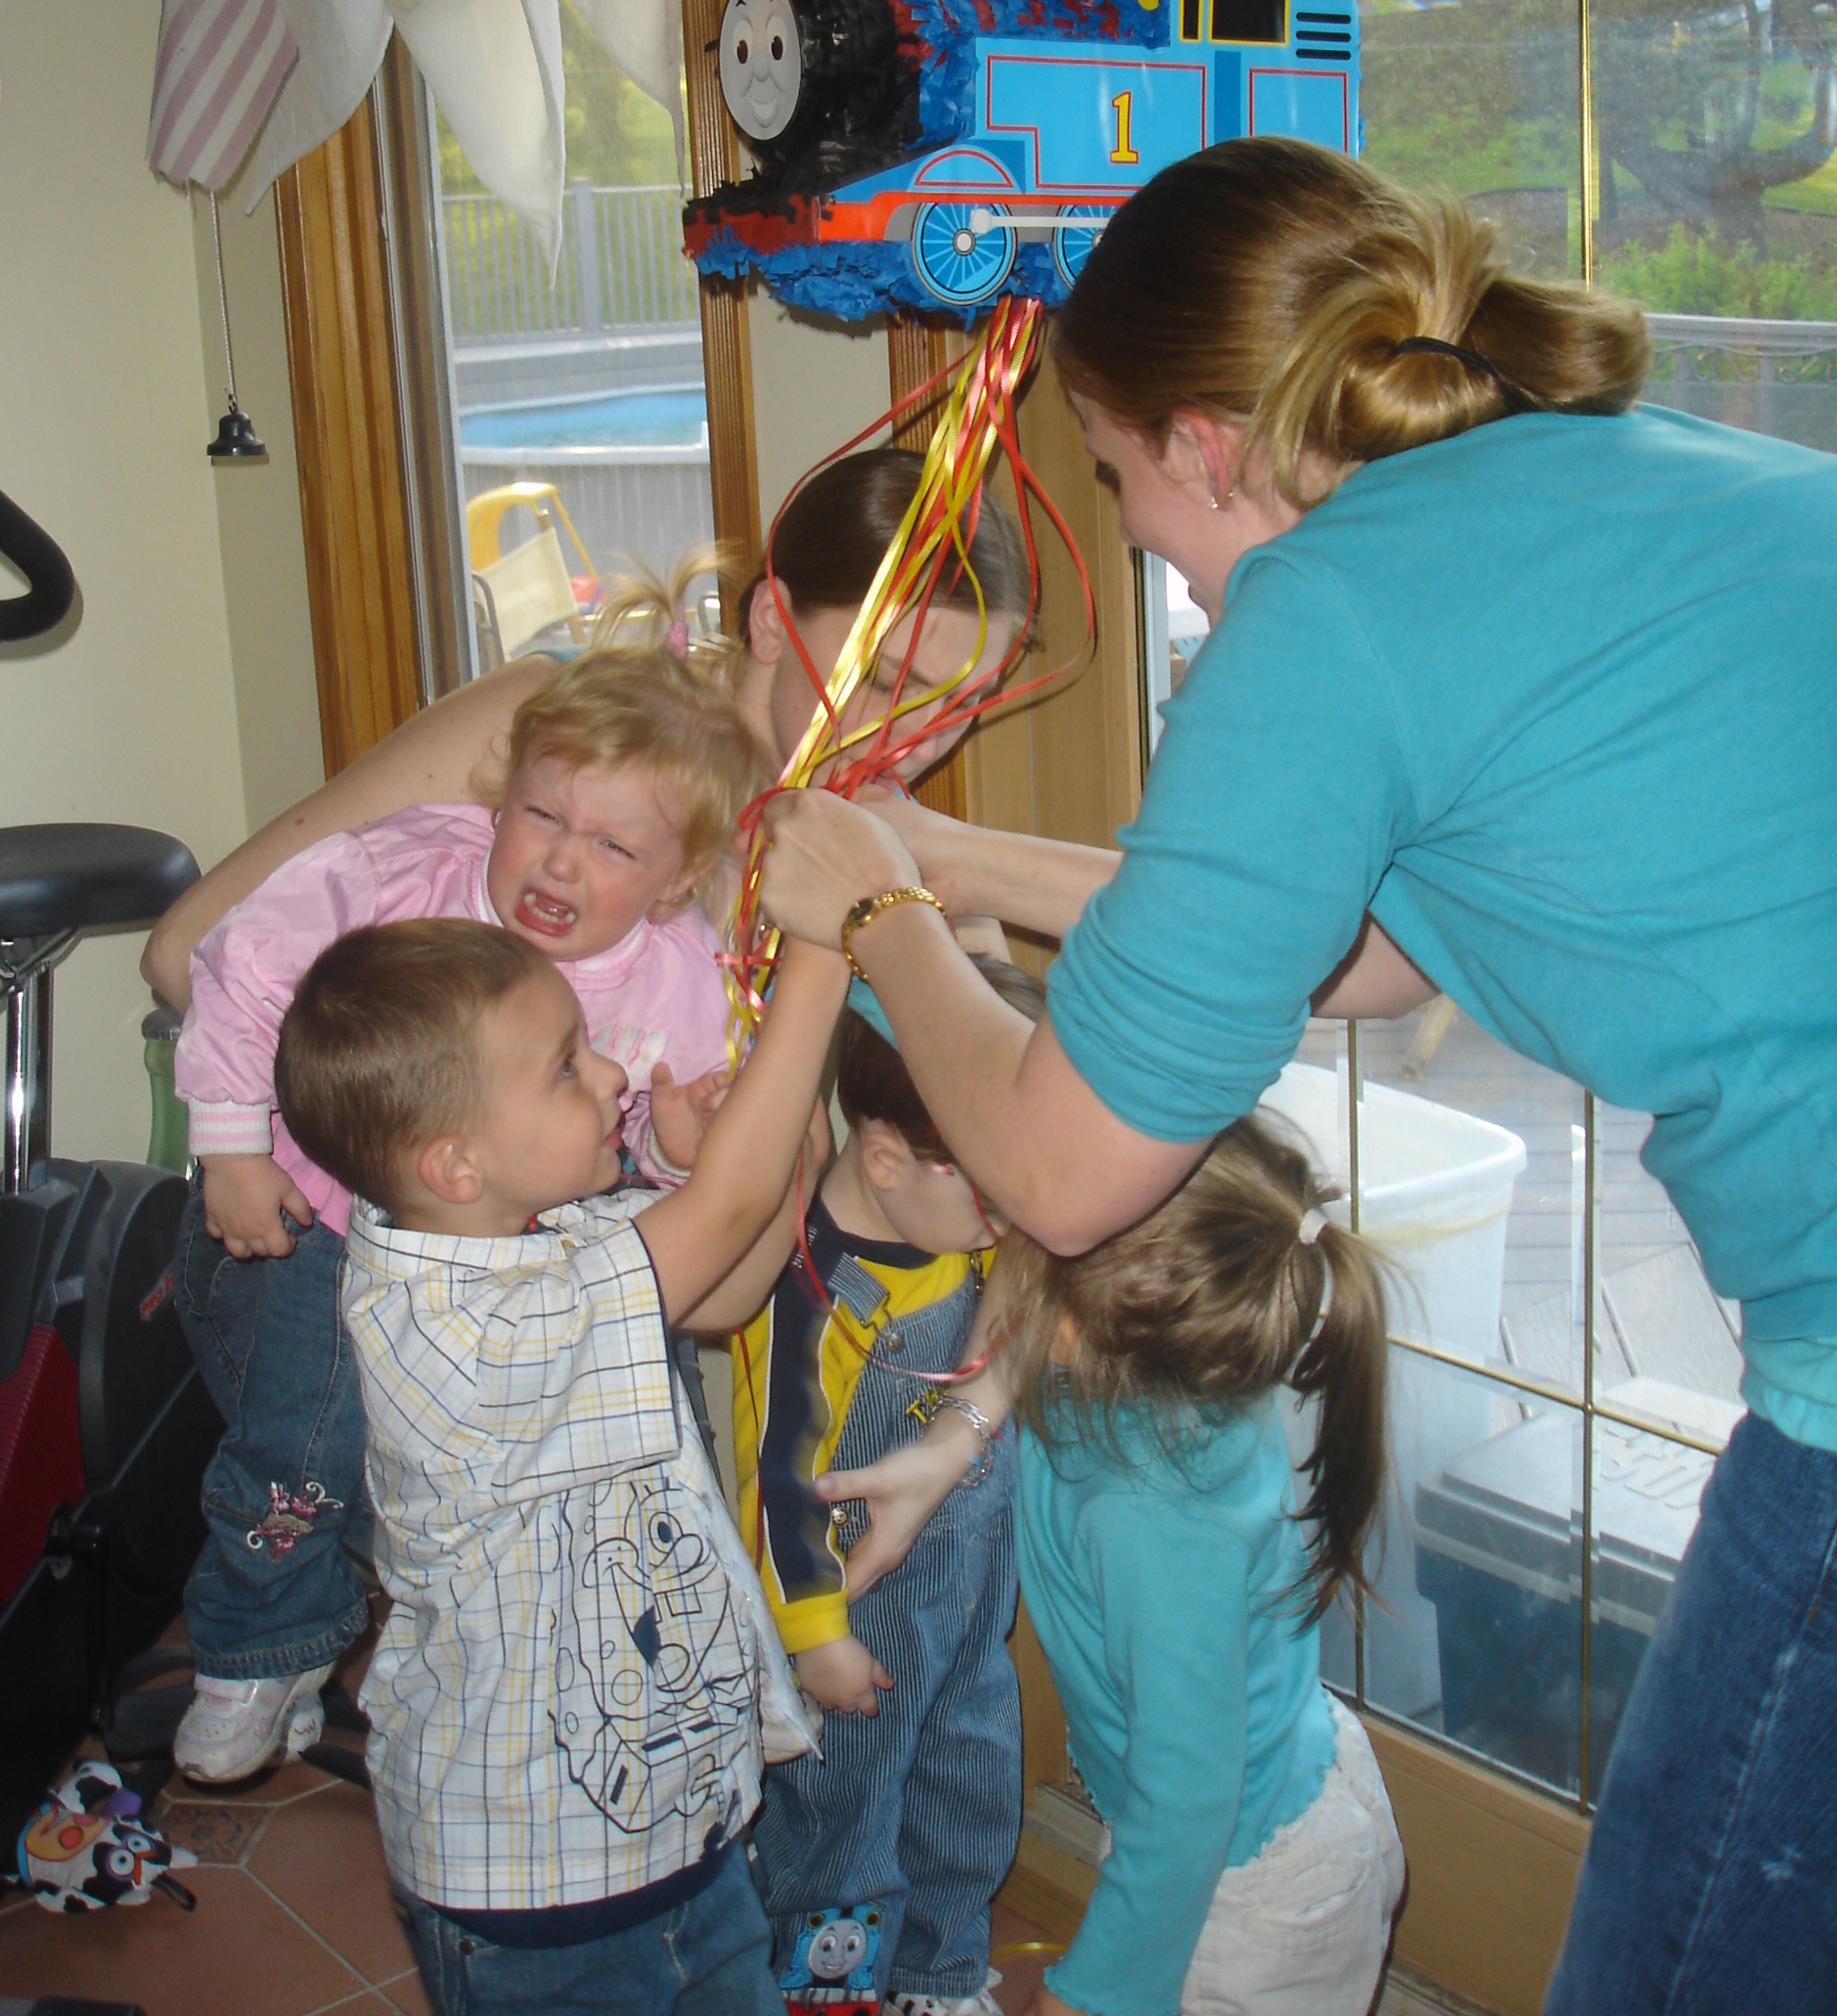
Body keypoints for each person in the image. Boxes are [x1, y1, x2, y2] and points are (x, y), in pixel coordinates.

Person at [757, 137, 1837, 2016]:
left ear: (1198, 442)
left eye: (1112, 479)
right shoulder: (1630, 471)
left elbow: (1058, 1167)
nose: (1136, 539)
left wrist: (875, 915)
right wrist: (943, 854)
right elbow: (1352, 941)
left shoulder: (1325, 602)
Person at [168, 640, 766, 1782]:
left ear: (675, 880)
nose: (560, 861)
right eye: (541, 815)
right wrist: (232, 1146)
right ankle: (258, 1642)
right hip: (324, 1221)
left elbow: (659, 1158)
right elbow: (240, 963)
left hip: (514, 1281)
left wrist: (673, 1147)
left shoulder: (682, 980)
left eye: (612, 848)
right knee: (302, 1445)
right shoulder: (401, 877)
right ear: (501, 795)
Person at [275, 915, 850, 2016]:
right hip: (533, 1888)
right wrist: (822, 952)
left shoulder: (541, 1231)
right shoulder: (457, 1328)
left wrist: (792, 1151)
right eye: (566, 1067)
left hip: (679, 1837)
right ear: (457, 1164)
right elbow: (721, 1213)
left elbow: (724, 1288)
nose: (611, 1075)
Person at [140, 449, 1032, 1014]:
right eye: (885, 683)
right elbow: (187, 951)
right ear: (771, 622)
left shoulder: (880, 837)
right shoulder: (553, 731)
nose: (919, 742)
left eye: (962, 707)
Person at [997, 1113, 1402, 2016]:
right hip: (1274, 1794)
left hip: (1242, 1889)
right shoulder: (1180, 1370)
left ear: (1069, 1327)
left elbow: (1186, 1801)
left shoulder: (1150, 1517)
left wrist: (1089, 1992)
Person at [737, 963, 1041, 2016]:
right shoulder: (816, 1295)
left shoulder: (958, 1227)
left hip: (966, 1605)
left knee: (970, 1785)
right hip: (855, 1623)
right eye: (994, 1187)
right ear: (886, 1160)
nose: (1016, 1211)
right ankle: (834, 1991)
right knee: (843, 1820)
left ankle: (940, 1974)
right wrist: (814, 1633)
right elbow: (775, 1479)